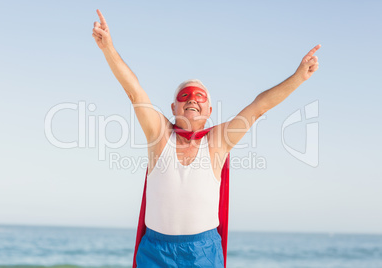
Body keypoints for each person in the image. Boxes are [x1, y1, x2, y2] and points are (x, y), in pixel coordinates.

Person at [92, 8, 320, 268]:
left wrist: (299, 77)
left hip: (203, 252)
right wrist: (108, 48)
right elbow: (135, 93)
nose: (192, 100)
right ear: (173, 108)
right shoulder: (159, 135)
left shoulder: (217, 142)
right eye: (185, 96)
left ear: (209, 110)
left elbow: (259, 108)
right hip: (155, 252)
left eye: (200, 97)